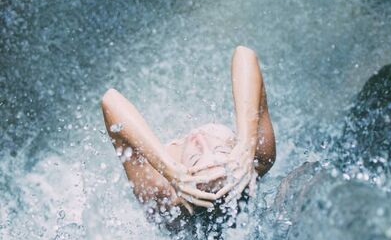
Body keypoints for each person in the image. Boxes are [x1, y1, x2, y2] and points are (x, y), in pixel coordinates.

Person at [101, 46, 276, 216]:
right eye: (219, 149)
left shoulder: (161, 194)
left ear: (182, 179)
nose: (200, 139)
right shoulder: (256, 160)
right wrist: (246, 142)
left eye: (195, 158)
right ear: (239, 157)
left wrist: (167, 169)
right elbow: (244, 54)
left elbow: (110, 100)